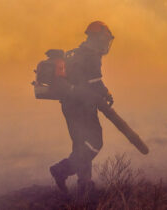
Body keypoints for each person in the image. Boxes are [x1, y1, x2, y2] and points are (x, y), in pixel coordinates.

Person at [49, 21, 114, 194]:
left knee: (81, 144)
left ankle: (85, 184)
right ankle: (61, 170)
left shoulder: (77, 54)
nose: (105, 43)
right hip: (82, 106)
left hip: (70, 106)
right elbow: (95, 82)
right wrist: (105, 94)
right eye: (104, 39)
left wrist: (102, 93)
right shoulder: (91, 56)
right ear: (96, 38)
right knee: (94, 142)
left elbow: (86, 82)